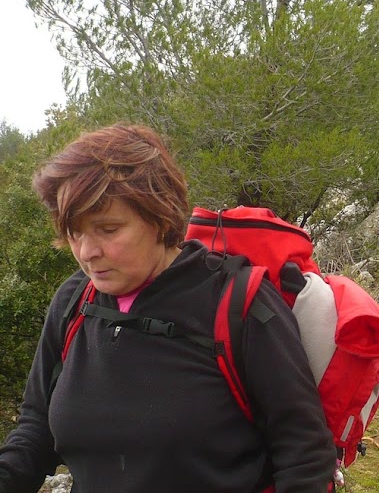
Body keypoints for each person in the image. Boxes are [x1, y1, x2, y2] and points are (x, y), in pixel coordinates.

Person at [0, 124, 337, 492]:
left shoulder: (240, 304)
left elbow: (305, 456)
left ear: (160, 218)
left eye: (108, 229)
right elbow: (34, 430)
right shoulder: (73, 302)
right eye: (75, 231)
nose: (86, 252)